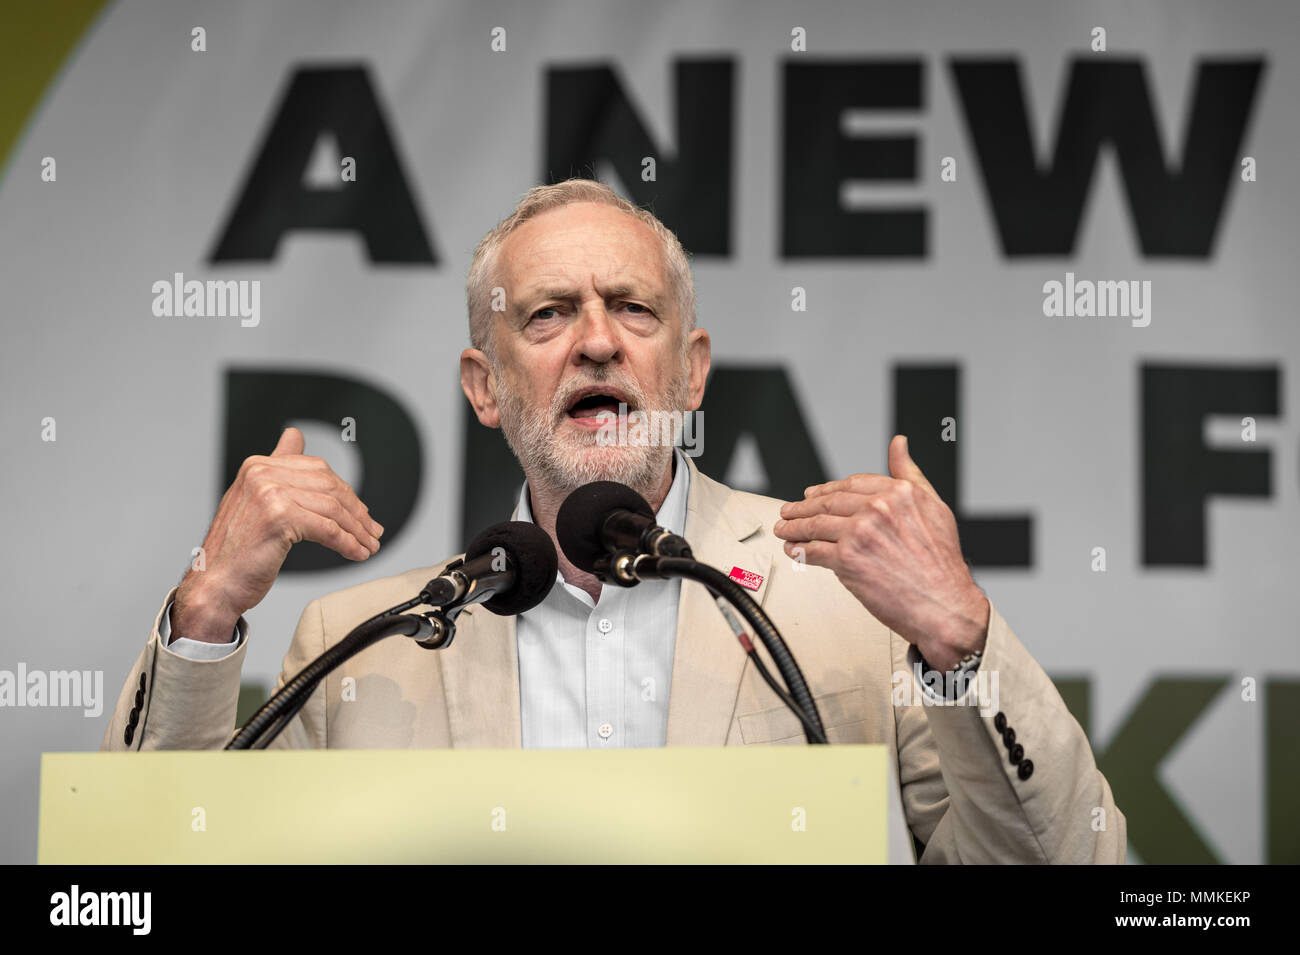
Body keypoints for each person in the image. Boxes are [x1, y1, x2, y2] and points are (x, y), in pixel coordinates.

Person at [102, 179, 1125, 863]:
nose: (595, 340)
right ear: (484, 385)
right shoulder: (360, 643)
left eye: (633, 310)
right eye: (545, 315)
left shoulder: (842, 593)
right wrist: (206, 610)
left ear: (689, 369)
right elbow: (135, 887)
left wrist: (961, 640)